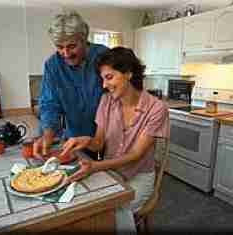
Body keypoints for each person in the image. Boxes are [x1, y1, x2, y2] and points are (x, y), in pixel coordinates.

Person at [60, 47, 170, 232]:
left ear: (128, 73)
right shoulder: (106, 101)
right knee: (84, 205)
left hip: (139, 176)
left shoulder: (156, 109)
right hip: (111, 172)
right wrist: (85, 140)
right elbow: (99, 143)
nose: (104, 85)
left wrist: (95, 166)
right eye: (103, 79)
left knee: (115, 210)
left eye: (109, 77)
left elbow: (136, 155)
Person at [33, 10, 108, 160]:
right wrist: (47, 135)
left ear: (84, 39)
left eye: (72, 46)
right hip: (74, 141)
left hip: (107, 139)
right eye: (60, 47)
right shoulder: (52, 65)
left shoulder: (104, 56)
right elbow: (49, 103)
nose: (66, 54)